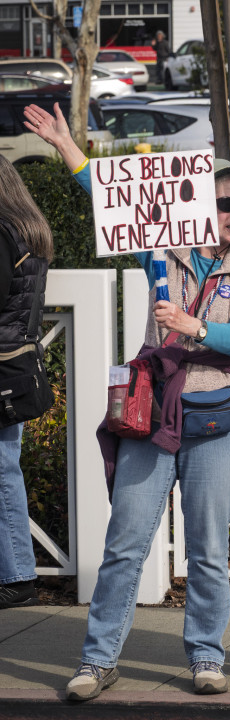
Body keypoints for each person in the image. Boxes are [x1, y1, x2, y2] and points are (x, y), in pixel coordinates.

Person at [23, 102, 230, 700]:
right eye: (224, 201)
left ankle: (207, 657)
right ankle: (98, 660)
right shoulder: (160, 252)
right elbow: (113, 200)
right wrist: (67, 147)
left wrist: (192, 325)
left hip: (215, 425)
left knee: (208, 550)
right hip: (153, 418)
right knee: (125, 544)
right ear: (198, 204)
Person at [0, 155, 54, 610]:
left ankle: (17, 576)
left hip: (2, 366)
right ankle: (16, 573)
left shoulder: (2, 233)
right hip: (15, 366)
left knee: (2, 474)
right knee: (5, 470)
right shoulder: (28, 230)